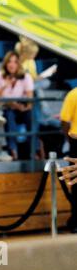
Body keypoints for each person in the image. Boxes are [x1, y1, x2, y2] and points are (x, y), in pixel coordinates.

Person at [0, 51, 36, 161]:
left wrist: (24, 107)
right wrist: (5, 86)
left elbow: (30, 99)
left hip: (22, 108)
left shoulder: (26, 77)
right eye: (9, 62)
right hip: (6, 108)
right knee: (9, 115)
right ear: (5, 64)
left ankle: (32, 150)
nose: (12, 65)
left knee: (31, 115)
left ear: (18, 64)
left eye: (15, 62)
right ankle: (13, 150)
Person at [59, 89, 77, 233]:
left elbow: (64, 121)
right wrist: (70, 140)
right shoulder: (73, 94)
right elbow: (64, 121)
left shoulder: (73, 94)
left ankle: (75, 221)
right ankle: (75, 220)